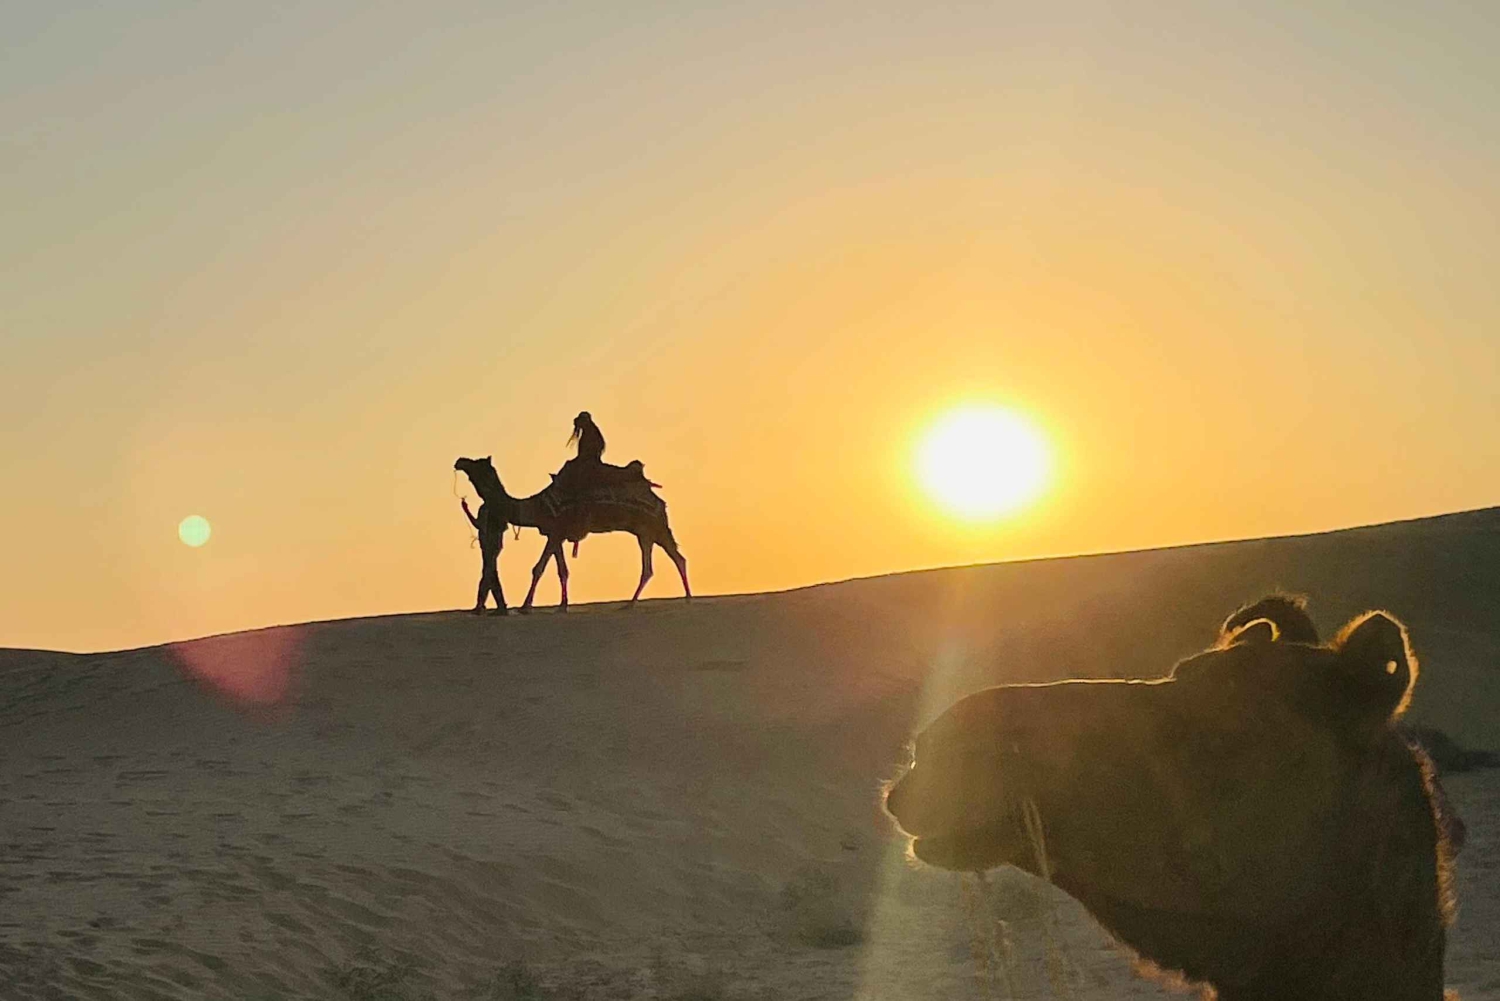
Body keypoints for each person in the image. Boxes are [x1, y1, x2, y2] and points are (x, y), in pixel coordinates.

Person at [460, 497, 506, 614]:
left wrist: (466, 511)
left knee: (488, 574)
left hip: (490, 545)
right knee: (490, 574)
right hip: (489, 545)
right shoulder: (493, 509)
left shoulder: (490, 510)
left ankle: (485, 604)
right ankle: (493, 605)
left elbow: (479, 525)